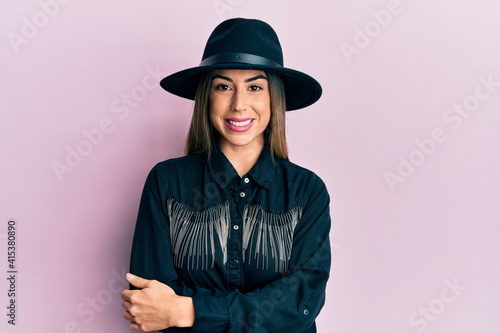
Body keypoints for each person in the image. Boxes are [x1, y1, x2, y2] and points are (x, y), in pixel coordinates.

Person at [121, 18, 331, 332]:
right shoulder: (167, 182)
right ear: (207, 97)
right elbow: (149, 304)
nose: (239, 104)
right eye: (223, 86)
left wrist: (188, 310)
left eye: (255, 87)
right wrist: (257, 311)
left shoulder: (306, 190)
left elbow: (299, 303)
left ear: (274, 98)